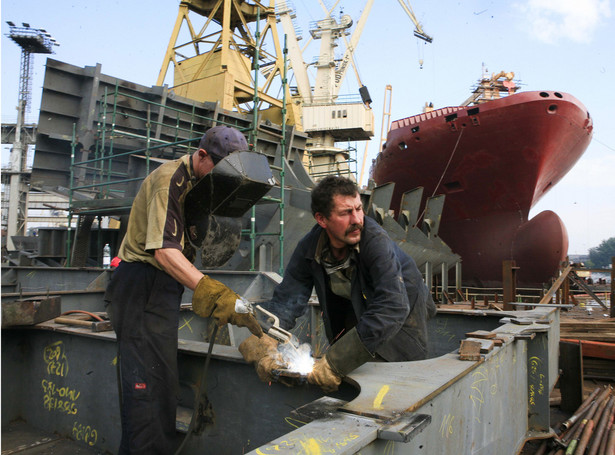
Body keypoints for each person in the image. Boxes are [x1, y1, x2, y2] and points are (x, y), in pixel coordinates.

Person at [104, 125, 263, 455]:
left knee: (160, 386)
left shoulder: (202, 183)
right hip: (142, 286)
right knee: (145, 391)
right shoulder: (169, 181)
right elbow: (164, 251)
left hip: (162, 289)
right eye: (222, 173)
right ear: (202, 156)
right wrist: (214, 293)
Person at [240, 175, 436, 392]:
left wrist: (335, 363)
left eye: (359, 209)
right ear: (322, 220)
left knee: (398, 367)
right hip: (357, 301)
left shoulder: (375, 242)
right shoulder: (310, 248)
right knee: (353, 365)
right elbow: (287, 300)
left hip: (403, 300)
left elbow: (393, 306)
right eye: (346, 213)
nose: (357, 220)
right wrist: (265, 337)